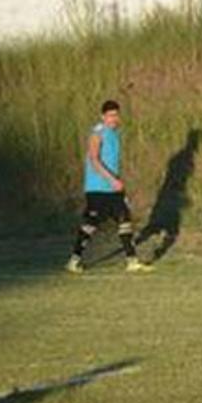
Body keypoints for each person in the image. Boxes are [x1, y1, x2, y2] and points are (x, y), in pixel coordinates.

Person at [66, 100, 152, 274]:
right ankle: (74, 261)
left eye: (116, 114)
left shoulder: (115, 133)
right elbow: (94, 159)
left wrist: (118, 184)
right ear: (103, 116)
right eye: (110, 115)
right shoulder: (97, 133)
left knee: (124, 219)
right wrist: (111, 180)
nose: (114, 118)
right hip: (97, 187)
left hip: (112, 187)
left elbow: (112, 163)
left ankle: (132, 261)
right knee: (91, 224)